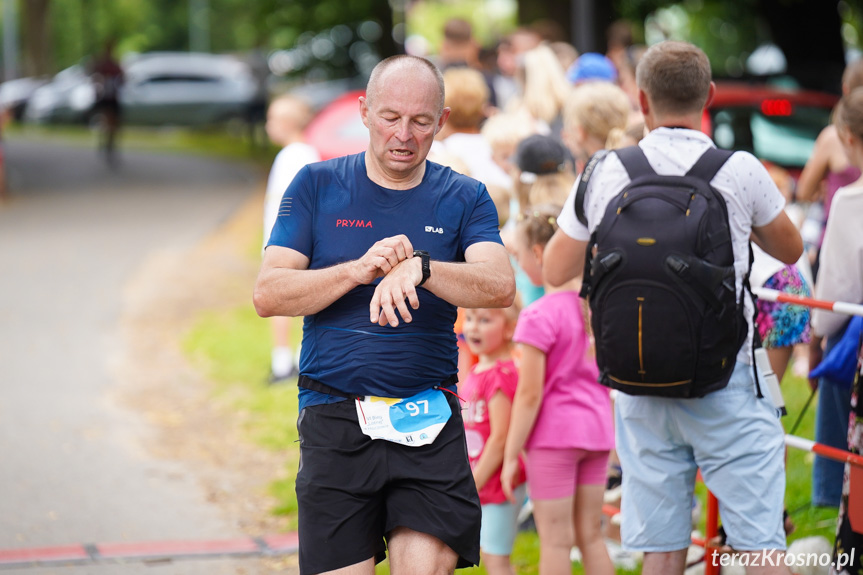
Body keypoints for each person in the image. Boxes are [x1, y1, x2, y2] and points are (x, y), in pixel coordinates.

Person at [543, 41, 802, 575]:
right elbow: (791, 251)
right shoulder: (740, 169)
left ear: (641, 99)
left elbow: (552, 268)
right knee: (759, 545)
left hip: (638, 384)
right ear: (707, 96)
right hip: (728, 380)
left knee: (661, 549)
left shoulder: (605, 171)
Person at [253, 54, 516, 575]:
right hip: (335, 417)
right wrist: (356, 270)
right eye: (391, 117)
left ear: (441, 123)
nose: (404, 134)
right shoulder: (316, 184)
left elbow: (499, 285)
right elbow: (269, 294)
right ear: (365, 112)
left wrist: (421, 267)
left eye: (421, 121)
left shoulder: (463, 197)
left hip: (428, 416)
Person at [500, 204, 614, 575]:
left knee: (555, 540)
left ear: (538, 254)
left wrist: (510, 453)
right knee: (591, 536)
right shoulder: (597, 309)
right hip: (596, 434)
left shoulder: (538, 315)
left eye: (517, 258)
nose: (519, 269)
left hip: (554, 439)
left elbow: (529, 395)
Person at [809, 87, 863, 512]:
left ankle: (832, 493)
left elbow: (832, 304)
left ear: (846, 136)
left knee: (836, 353)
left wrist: (816, 336)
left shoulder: (850, 202)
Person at [461, 302, 526, 575]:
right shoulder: (477, 371)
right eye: (470, 318)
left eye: (485, 320)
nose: (474, 327)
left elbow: (501, 437)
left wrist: (471, 486)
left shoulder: (501, 374)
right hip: (481, 480)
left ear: (510, 328)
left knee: (496, 557)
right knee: (489, 553)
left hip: (498, 482)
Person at [261, 94, 320, 383]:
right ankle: (297, 356)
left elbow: (288, 205)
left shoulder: (292, 156)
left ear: (285, 123)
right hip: (298, 242)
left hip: (287, 245)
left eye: (271, 120)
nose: (267, 126)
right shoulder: (305, 153)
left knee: (280, 300)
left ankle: (282, 362)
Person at [89, 39, 124, 166]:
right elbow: (93, 75)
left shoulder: (115, 63)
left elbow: (123, 77)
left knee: (114, 123)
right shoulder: (101, 63)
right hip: (104, 96)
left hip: (113, 97)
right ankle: (104, 142)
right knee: (106, 120)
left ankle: (111, 144)